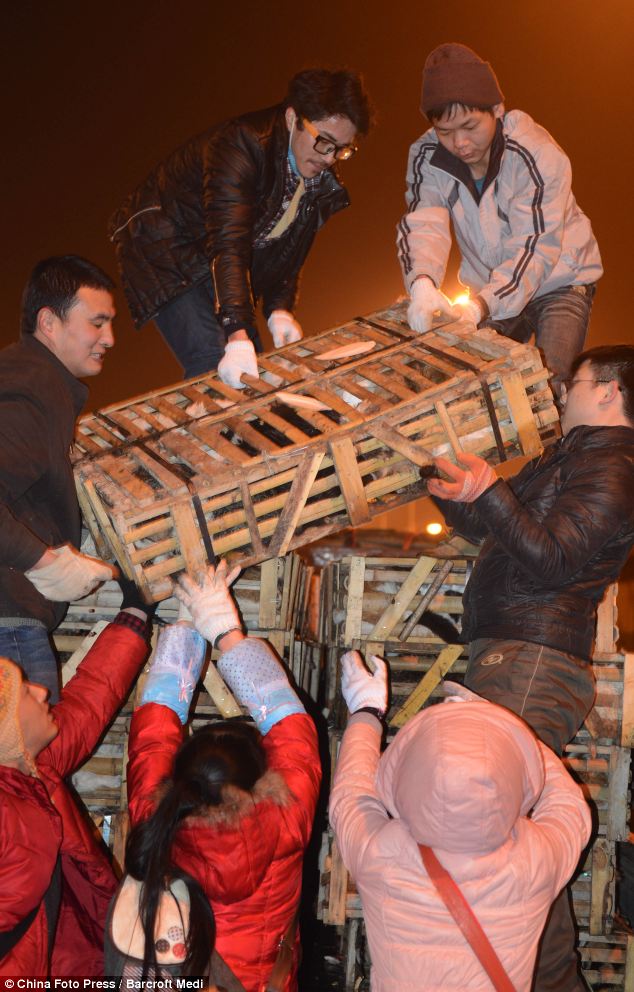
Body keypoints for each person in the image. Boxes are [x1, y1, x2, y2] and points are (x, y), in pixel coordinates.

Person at [426, 343, 634, 991]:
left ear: (608, 390)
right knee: (506, 846)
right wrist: (448, 485)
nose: (557, 389)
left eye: (571, 380)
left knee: (505, 850)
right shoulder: (575, 455)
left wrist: (492, 492)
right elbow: (498, 528)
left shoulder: (618, 465)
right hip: (515, 656)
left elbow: (553, 559)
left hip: (534, 663)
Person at [110, 562, 321, 990]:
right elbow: (292, 729)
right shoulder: (284, 819)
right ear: (260, 780)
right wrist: (216, 625)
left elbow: (154, 737)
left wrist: (201, 627)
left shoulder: (160, 816)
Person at [329, 652, 591, 991]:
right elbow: (569, 806)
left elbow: (352, 794)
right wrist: (504, 732)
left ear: (409, 773)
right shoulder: (535, 861)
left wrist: (366, 712)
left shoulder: (380, 854)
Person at [109, 68, 372, 385]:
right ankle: (207, 428)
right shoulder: (240, 145)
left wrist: (280, 308)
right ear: (292, 118)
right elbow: (229, 242)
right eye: (324, 142)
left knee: (255, 368)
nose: (330, 158)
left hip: (214, 256)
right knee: (213, 358)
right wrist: (236, 331)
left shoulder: (315, 183)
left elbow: (287, 250)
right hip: (164, 242)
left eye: (342, 149)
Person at [397, 42, 602, 391]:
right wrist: (422, 283)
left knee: (549, 386)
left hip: (559, 281)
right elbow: (423, 222)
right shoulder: (426, 156)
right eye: (445, 132)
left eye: (470, 126)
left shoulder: (534, 153)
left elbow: (535, 247)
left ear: (496, 108)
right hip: (490, 288)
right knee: (468, 380)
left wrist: (480, 307)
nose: (460, 142)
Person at [0, 594, 153, 977]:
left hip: (68, 957)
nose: (43, 691)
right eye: (25, 692)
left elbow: (89, 703)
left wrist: (136, 614)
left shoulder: (33, 768)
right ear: (7, 730)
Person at [0, 256, 119, 702]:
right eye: (97, 323)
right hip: (7, 630)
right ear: (49, 322)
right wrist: (45, 562)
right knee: (25, 772)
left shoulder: (29, 380)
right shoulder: (32, 388)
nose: (109, 339)